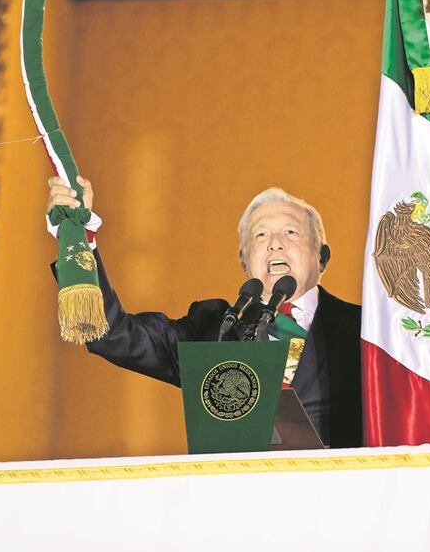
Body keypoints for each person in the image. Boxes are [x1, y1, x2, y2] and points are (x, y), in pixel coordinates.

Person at [46, 176, 363, 448]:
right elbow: (113, 333)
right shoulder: (213, 329)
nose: (275, 245)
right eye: (260, 235)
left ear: (321, 257)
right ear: (244, 261)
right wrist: (78, 238)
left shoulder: (366, 330)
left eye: (291, 233)